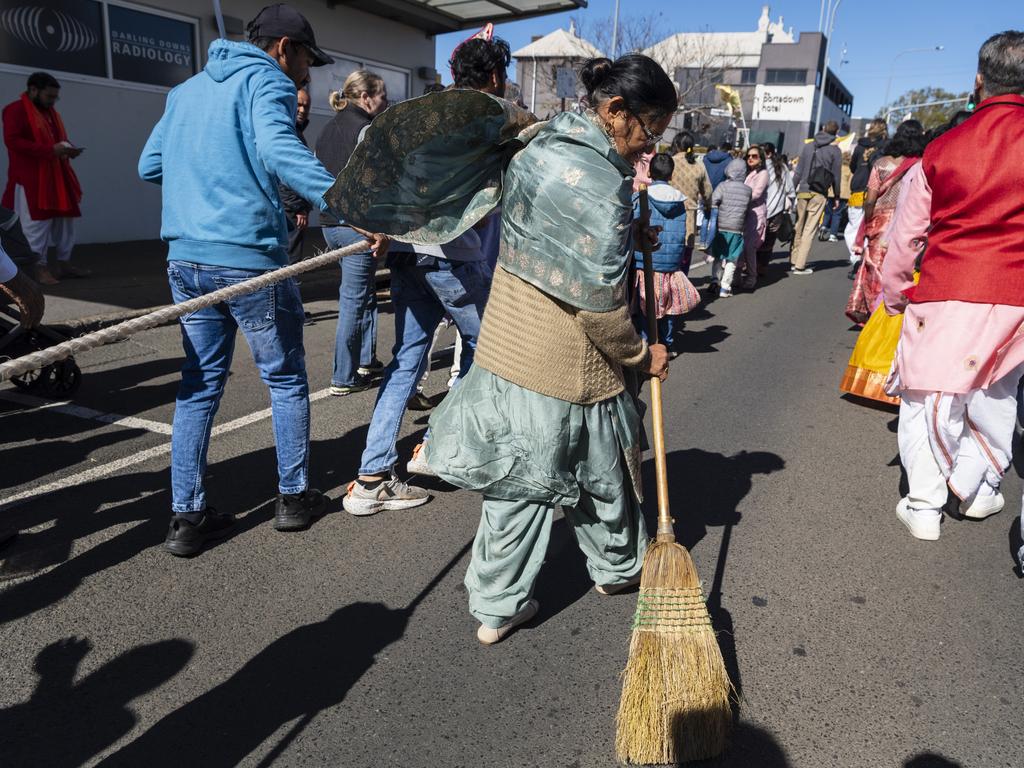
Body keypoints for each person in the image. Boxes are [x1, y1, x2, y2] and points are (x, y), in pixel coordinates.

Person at [416, 54, 674, 644]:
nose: (649, 148)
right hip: (568, 362)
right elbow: (601, 310)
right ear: (615, 111)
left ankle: (500, 604)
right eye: (648, 131)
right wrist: (642, 357)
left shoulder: (541, 144)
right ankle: (613, 569)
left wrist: (624, 236)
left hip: (511, 342)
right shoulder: (602, 185)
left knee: (524, 483)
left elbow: (551, 232)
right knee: (599, 470)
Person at [138, 4, 349, 556]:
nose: (307, 71)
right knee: (284, 378)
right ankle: (293, 497)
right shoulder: (268, 82)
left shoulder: (184, 93)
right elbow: (280, 151)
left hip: (185, 259)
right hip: (248, 258)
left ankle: (186, 517)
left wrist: (207, 165)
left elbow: (150, 164)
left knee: (199, 383)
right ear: (284, 48)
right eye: (306, 58)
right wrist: (350, 205)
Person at [341, 35, 512, 515]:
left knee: (406, 361)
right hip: (455, 259)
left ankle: (371, 477)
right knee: (490, 351)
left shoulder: (422, 114)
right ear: (497, 76)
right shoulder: (490, 119)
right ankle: (436, 446)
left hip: (408, 254)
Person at [882, 30, 1024, 542]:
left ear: (979, 80)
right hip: (1016, 295)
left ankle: (924, 505)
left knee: (926, 398)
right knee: (994, 394)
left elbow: (906, 236)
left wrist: (895, 292)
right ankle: (977, 486)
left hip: (946, 286)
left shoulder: (942, 149)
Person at [316, 70, 389, 396]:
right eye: (382, 96)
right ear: (366, 97)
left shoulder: (328, 128)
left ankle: (365, 359)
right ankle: (343, 376)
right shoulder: (365, 129)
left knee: (364, 295)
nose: (385, 102)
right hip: (354, 227)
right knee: (353, 300)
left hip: (330, 226)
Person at [2, 72, 86, 286]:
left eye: (55, 98)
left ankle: (64, 264)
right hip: (32, 179)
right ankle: (37, 269)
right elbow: (13, 142)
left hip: (58, 177)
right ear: (33, 90)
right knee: (36, 226)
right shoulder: (15, 110)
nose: (52, 101)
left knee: (65, 224)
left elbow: (57, 140)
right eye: (49, 96)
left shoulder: (50, 113)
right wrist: (50, 150)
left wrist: (67, 149)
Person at [845, 120, 927, 325]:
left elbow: (870, 199)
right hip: (907, 222)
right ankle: (889, 317)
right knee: (898, 268)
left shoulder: (881, 163)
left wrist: (868, 221)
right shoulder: (920, 165)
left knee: (875, 268)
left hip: (879, 224)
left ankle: (872, 314)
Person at [633, 152, 696, 354]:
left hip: (645, 262)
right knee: (668, 306)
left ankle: (646, 344)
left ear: (649, 172)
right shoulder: (679, 201)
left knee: (645, 306)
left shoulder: (641, 197)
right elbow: (680, 232)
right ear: (671, 174)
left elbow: (634, 229)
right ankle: (668, 343)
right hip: (670, 265)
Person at [789, 120, 842, 275]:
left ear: (823, 129)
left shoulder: (808, 146)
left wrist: (791, 190)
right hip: (819, 192)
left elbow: (798, 172)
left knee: (798, 225)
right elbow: (836, 176)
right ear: (835, 133)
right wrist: (837, 195)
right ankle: (800, 265)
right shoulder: (835, 151)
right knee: (810, 228)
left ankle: (793, 260)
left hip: (803, 190)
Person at [846, 119, 888, 278]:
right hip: (876, 191)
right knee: (867, 228)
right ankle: (862, 258)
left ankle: (856, 259)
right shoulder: (885, 147)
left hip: (858, 189)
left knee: (852, 228)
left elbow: (852, 166)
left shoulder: (859, 146)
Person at [709, 158, 752, 298]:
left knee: (718, 256)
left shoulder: (722, 186)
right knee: (731, 259)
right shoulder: (747, 190)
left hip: (721, 227)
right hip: (737, 228)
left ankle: (715, 280)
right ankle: (725, 288)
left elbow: (713, 201)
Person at [668, 131, 710, 274]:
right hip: (689, 216)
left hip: (669, 213)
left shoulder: (669, 162)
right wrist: (708, 207)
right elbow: (708, 192)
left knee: (667, 254)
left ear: (676, 144)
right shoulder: (698, 166)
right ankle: (682, 287)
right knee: (685, 256)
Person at [279, 86, 312, 267]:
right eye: (298, 104)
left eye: (306, 106)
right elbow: (287, 173)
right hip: (290, 210)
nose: (302, 110)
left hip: (292, 207)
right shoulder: (288, 133)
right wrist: (298, 207)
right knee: (290, 259)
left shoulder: (297, 132)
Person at [756, 141, 794, 274]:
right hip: (776, 211)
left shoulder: (758, 167)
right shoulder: (782, 168)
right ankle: (762, 266)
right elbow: (790, 190)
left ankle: (751, 265)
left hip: (758, 210)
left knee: (755, 238)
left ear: (769, 153)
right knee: (769, 240)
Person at [740, 144, 768, 290]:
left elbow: (756, 193)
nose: (750, 158)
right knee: (742, 246)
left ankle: (752, 276)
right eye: (748, 156)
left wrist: (739, 198)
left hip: (756, 214)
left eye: (754, 156)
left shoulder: (763, 173)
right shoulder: (749, 173)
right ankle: (739, 274)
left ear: (761, 158)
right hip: (746, 213)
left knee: (750, 247)